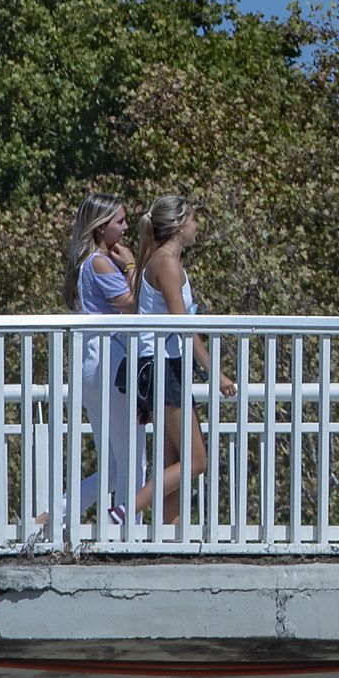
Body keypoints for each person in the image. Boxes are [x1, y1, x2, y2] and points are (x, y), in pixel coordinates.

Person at [123, 196, 236, 525]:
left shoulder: (162, 261)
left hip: (164, 364)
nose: (197, 226)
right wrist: (215, 373)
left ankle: (170, 536)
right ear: (179, 225)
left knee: (173, 459)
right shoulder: (166, 263)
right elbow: (183, 325)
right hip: (160, 366)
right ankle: (118, 515)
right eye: (193, 220)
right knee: (196, 460)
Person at [40, 193, 147, 529]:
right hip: (110, 364)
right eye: (120, 222)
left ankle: (50, 517)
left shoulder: (85, 263)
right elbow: (134, 305)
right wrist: (131, 263)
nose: (125, 227)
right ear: (101, 229)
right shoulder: (100, 263)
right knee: (133, 460)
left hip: (93, 367)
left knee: (114, 468)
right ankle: (128, 535)